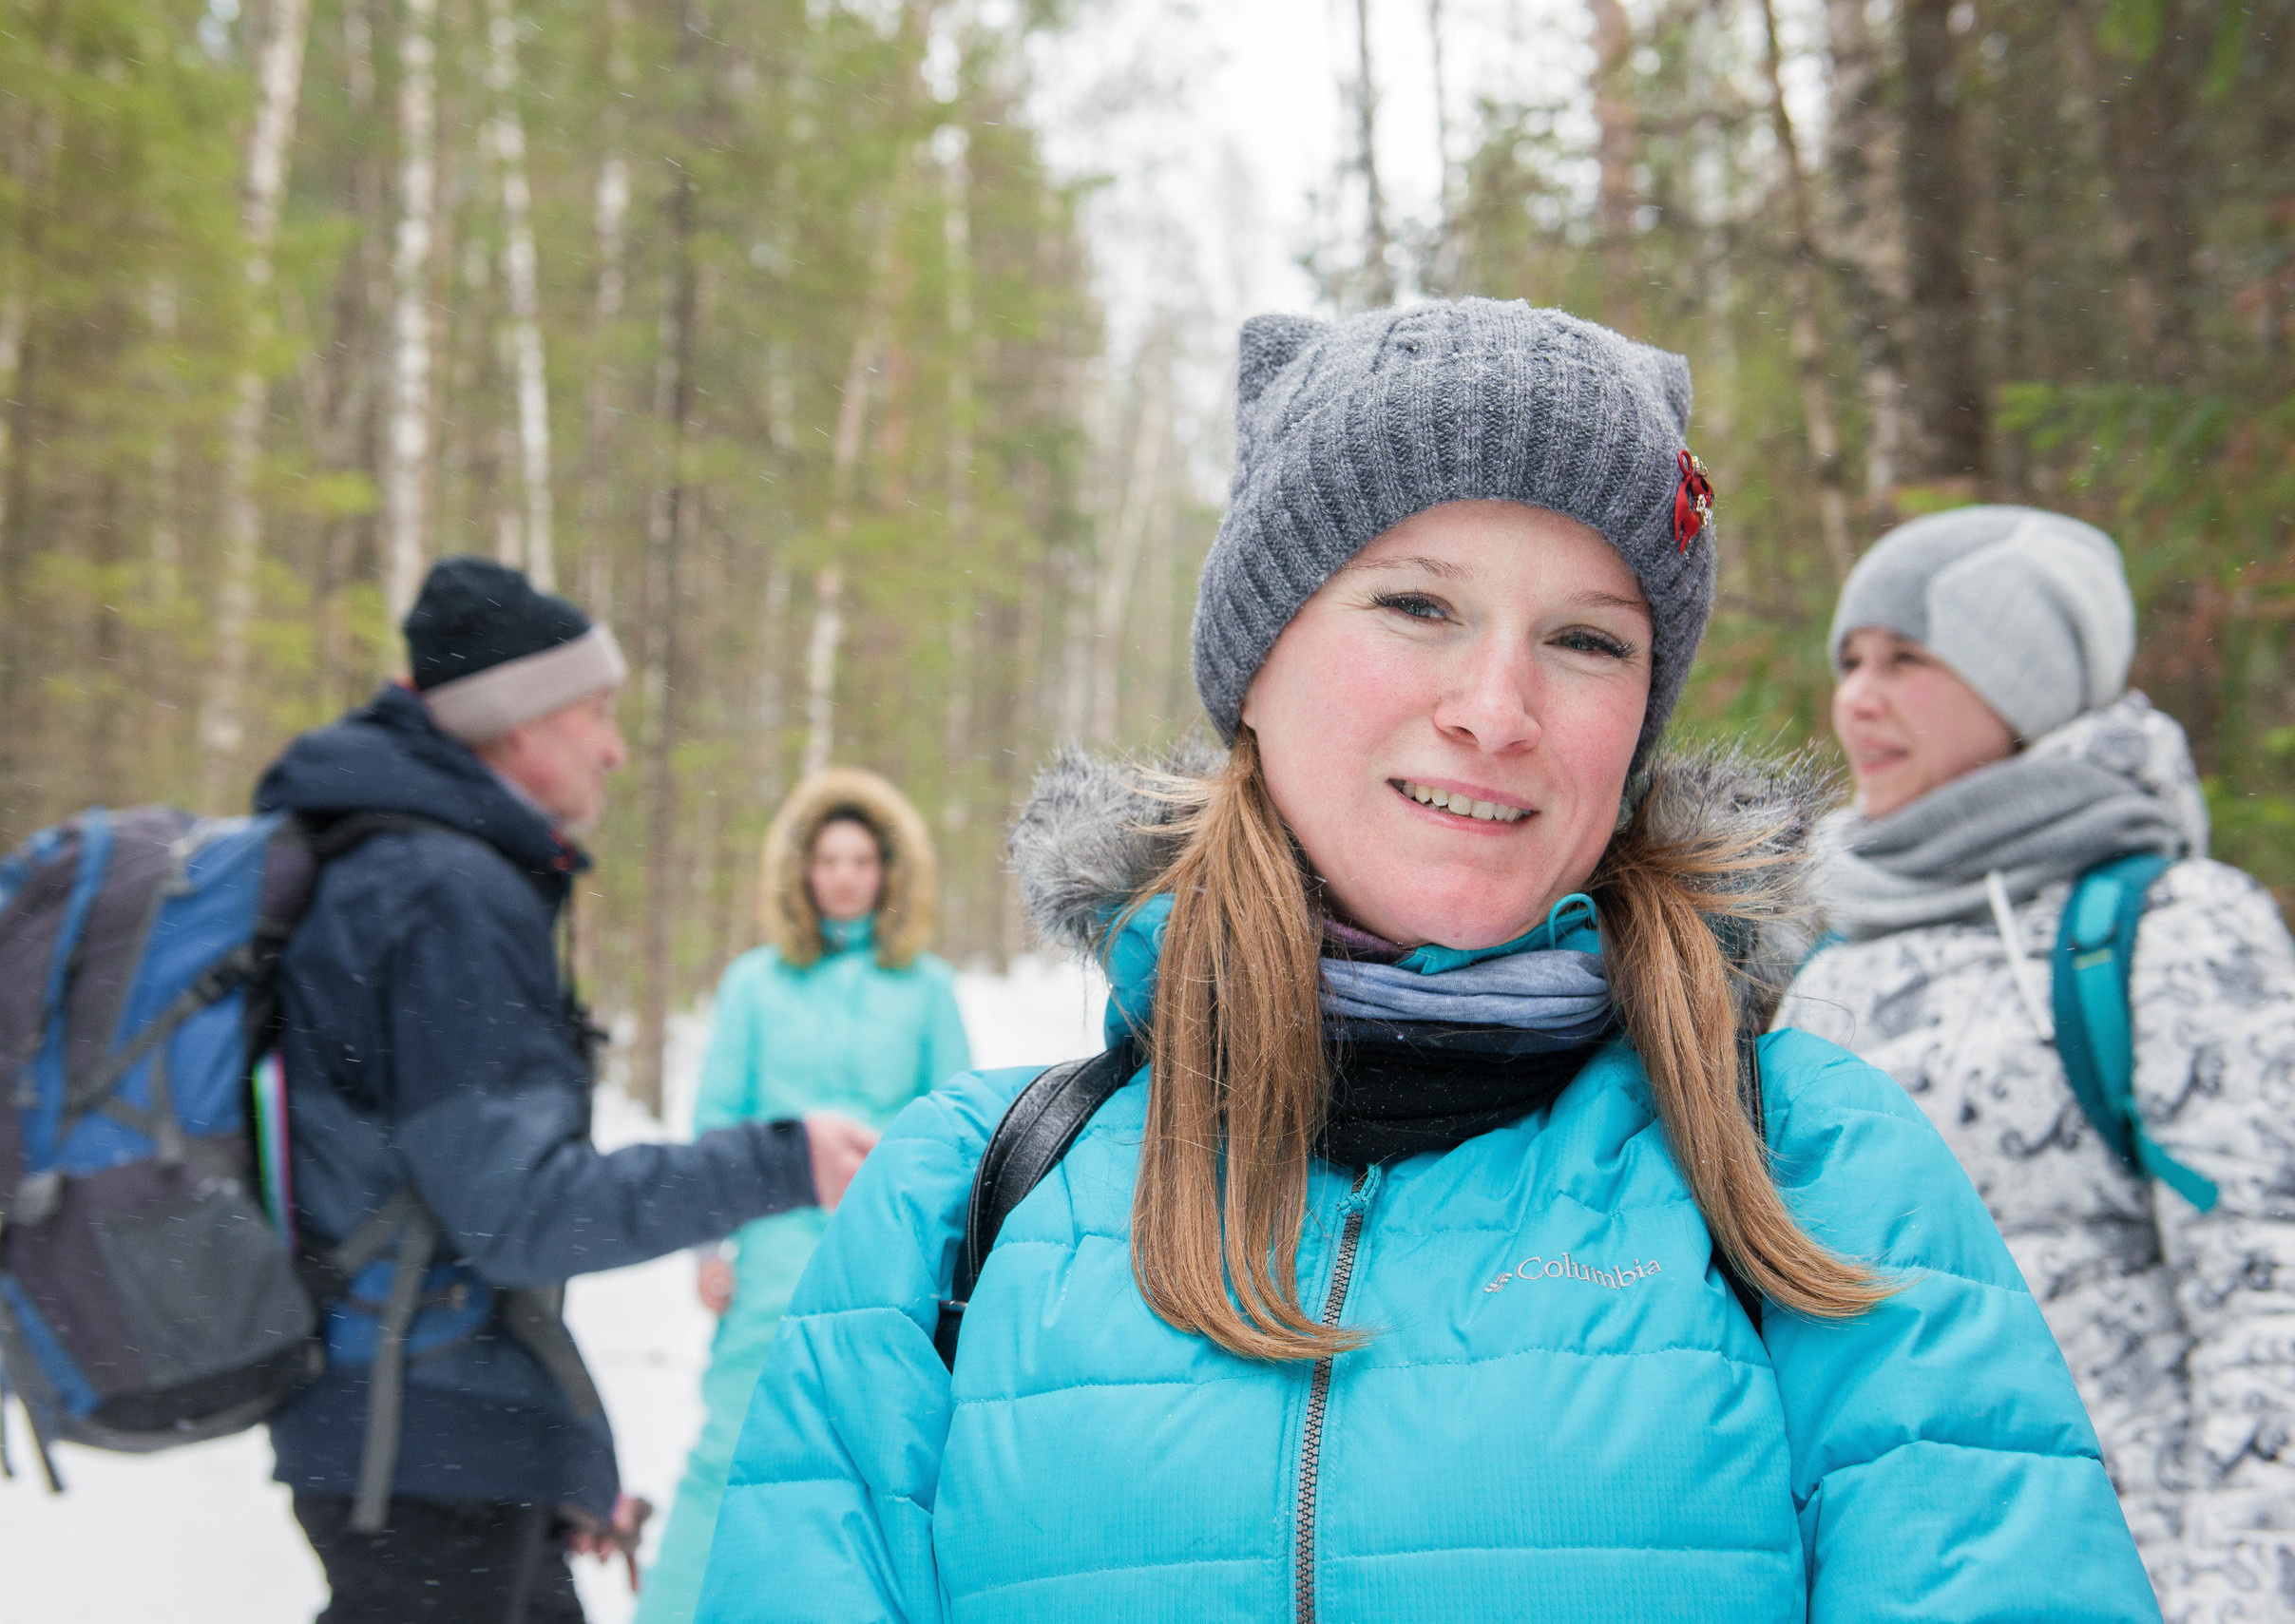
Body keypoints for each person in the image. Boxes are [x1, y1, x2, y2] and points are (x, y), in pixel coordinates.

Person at [693, 300, 2157, 1622]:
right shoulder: (965, 1203)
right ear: (1255, 665)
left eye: (1588, 639)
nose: (1499, 706)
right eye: (1418, 604)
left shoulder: (1816, 1176)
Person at [255, 556, 880, 1624]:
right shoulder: (444, 889)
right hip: (420, 1443)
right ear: (516, 723)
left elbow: (446, 1216)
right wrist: (783, 1158)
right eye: (595, 711)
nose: (615, 745)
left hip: (421, 1427)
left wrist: (556, 1459)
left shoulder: (408, 864)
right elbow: (523, 1210)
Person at [1776, 506, 2295, 1619]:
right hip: (1892, 1581)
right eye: (1852, 658)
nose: (1856, 696)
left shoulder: (2168, 928)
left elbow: (2270, 1306)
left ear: (2025, 684)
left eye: (1908, 659)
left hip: (2135, 1573)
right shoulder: (1815, 951)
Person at [635, 768, 970, 1623]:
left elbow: (959, 1132)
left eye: (863, 858)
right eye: (830, 858)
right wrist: (708, 1250)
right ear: (804, 872)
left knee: (873, 1459)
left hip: (886, 1261)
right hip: (775, 1255)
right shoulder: (756, 982)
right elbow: (717, 1122)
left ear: (890, 873)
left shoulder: (925, 987)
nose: (847, 874)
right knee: (732, 1447)